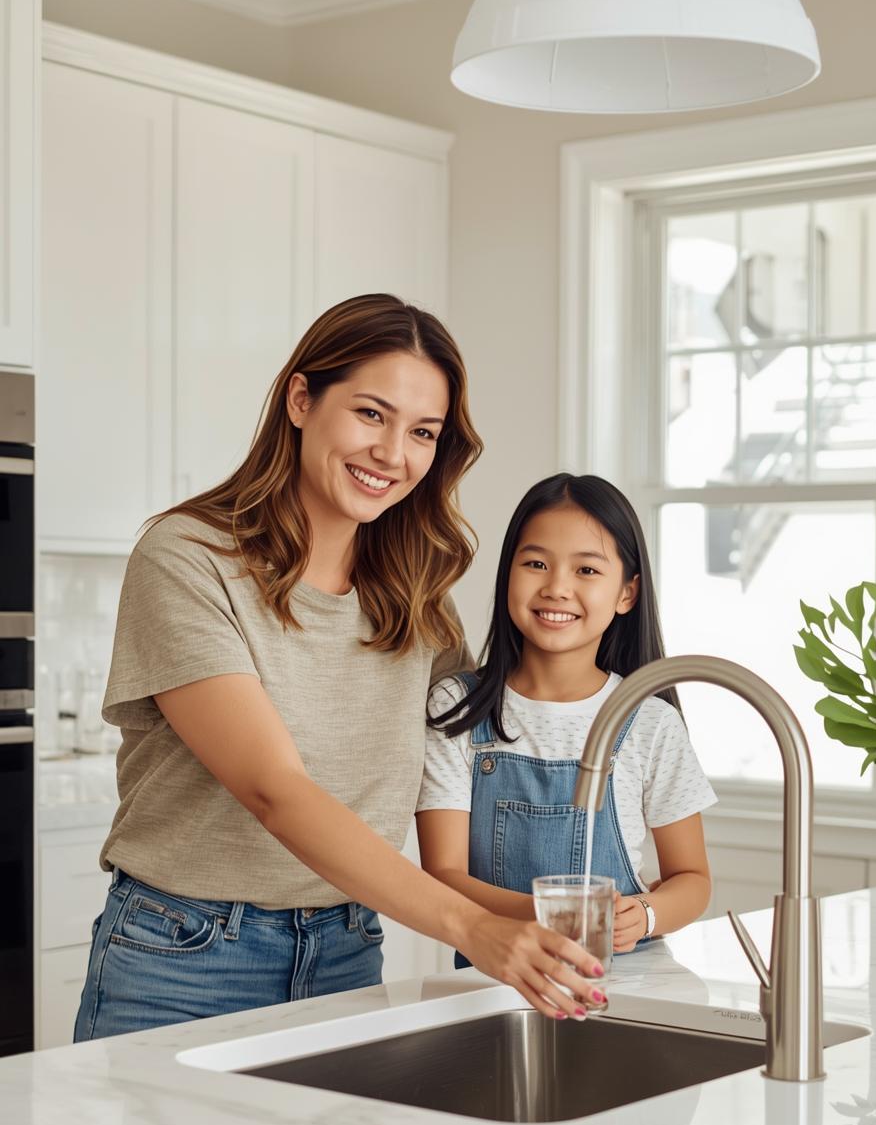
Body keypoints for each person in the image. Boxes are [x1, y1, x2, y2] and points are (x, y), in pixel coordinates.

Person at [74, 298, 605, 1042]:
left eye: (422, 432)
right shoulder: (188, 560)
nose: (393, 453)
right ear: (301, 400)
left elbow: (486, 747)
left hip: (346, 950)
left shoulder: (415, 594)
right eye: (371, 414)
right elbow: (275, 790)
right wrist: (473, 927)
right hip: (183, 958)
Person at [416, 472, 715, 965]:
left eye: (587, 570)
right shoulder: (457, 708)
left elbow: (693, 880)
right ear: (507, 574)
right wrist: (564, 916)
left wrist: (645, 913)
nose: (557, 588)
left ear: (627, 593)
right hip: (490, 982)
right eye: (536, 563)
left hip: (622, 980)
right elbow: (443, 876)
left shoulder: (651, 722)